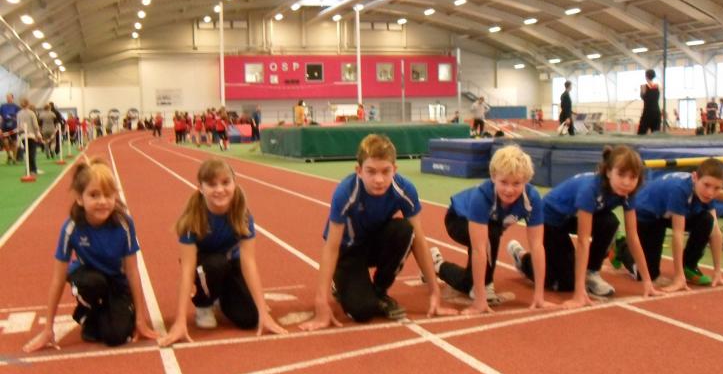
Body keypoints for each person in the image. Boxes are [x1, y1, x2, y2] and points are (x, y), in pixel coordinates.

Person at [300, 134, 454, 330]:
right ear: (359, 171)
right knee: (362, 311)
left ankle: (380, 292)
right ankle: (342, 285)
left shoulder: (404, 190)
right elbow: (331, 247)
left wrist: (434, 292)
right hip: (348, 251)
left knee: (406, 231)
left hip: (375, 244)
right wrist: (321, 302)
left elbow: (419, 240)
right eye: (371, 172)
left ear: (394, 169)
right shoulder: (345, 193)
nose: (379, 180)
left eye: (385, 171)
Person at [23, 159, 158, 352]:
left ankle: (93, 319)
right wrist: (48, 329)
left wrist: (140, 320)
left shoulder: (124, 224)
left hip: (117, 283)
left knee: (116, 337)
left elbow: (133, 271)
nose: (102, 201)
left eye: (108, 195)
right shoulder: (71, 227)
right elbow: (58, 279)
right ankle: (86, 310)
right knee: (92, 283)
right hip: (89, 278)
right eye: (94, 195)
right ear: (80, 198)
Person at [158, 159, 286, 346]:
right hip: (204, 266)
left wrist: (263, 313)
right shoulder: (192, 219)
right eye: (212, 184)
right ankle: (205, 304)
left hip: (231, 264)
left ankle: (221, 297)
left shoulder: (242, 214)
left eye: (225, 183)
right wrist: (180, 321)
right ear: (200, 188)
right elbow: (187, 270)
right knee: (216, 264)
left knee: (249, 318)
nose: (220, 190)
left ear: (234, 183)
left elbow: (248, 262)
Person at [533, 145, 659, 308]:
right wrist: (579, 293)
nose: (627, 182)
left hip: (573, 216)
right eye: (621, 175)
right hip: (550, 220)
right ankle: (525, 260)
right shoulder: (590, 190)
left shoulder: (627, 193)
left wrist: (647, 281)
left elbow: (633, 236)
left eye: (633, 177)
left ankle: (592, 271)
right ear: (608, 172)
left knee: (610, 223)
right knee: (566, 283)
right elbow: (583, 241)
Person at [432, 145, 553, 314]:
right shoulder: (481, 197)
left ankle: (437, 265)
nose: (509, 190)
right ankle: (483, 285)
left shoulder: (532, 199)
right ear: (493, 177)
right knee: (490, 236)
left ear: (526, 181)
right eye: (503, 182)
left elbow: (537, 246)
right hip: (458, 219)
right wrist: (480, 300)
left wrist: (539, 296)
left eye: (516, 183)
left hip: (490, 225)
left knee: (470, 282)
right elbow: (479, 249)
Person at [613, 158, 723, 291]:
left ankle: (689, 265)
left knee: (707, 220)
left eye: (717, 188)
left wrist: (718, 271)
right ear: (695, 177)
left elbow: (715, 231)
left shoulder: (707, 194)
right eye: (706, 185)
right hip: (646, 214)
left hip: (666, 213)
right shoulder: (680, 190)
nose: (710, 192)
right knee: (647, 275)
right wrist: (678, 277)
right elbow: (678, 234)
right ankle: (621, 247)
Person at [17, 99, 43, 175]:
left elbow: (18, 125)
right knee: (32, 153)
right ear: (28, 104)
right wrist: (38, 134)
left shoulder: (19, 113)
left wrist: (19, 134)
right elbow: (35, 125)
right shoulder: (31, 113)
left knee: (27, 152)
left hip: (23, 135)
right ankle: (33, 170)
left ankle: (28, 169)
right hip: (31, 135)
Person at [638, 69, 661, 135]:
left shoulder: (643, 87)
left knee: (641, 134)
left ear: (646, 76)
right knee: (656, 135)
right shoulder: (658, 86)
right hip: (656, 112)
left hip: (647, 112)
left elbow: (642, 97)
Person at [1, 93, 20, 164]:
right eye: (7, 97)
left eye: (9, 97)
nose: (8, 98)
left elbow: (19, 117)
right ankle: (9, 155)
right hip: (5, 127)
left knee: (14, 143)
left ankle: (14, 158)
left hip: (14, 127)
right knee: (5, 142)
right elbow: (1, 117)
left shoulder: (16, 107)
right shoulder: (3, 106)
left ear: (12, 98)